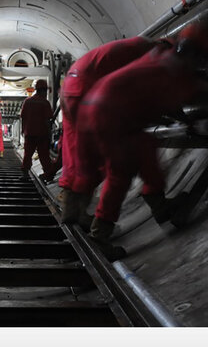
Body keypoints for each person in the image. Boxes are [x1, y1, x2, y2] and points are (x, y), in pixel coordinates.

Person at [77, 22, 208, 259]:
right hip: (109, 112)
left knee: (146, 150)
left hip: (106, 107)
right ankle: (98, 236)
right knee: (120, 174)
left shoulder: (164, 58)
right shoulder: (172, 69)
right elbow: (184, 93)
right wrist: (188, 120)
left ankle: (159, 204)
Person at [58, 36, 160, 225]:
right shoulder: (152, 52)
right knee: (112, 160)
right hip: (87, 90)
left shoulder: (132, 46)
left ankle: (73, 209)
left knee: (78, 153)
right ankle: (100, 226)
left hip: (70, 87)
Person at [20, 79, 57, 179]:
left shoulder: (27, 101)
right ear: (43, 90)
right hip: (42, 134)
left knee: (27, 154)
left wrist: (23, 131)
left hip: (30, 133)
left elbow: (23, 117)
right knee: (44, 155)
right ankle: (48, 174)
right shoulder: (45, 103)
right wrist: (49, 134)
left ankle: (25, 173)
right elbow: (47, 120)